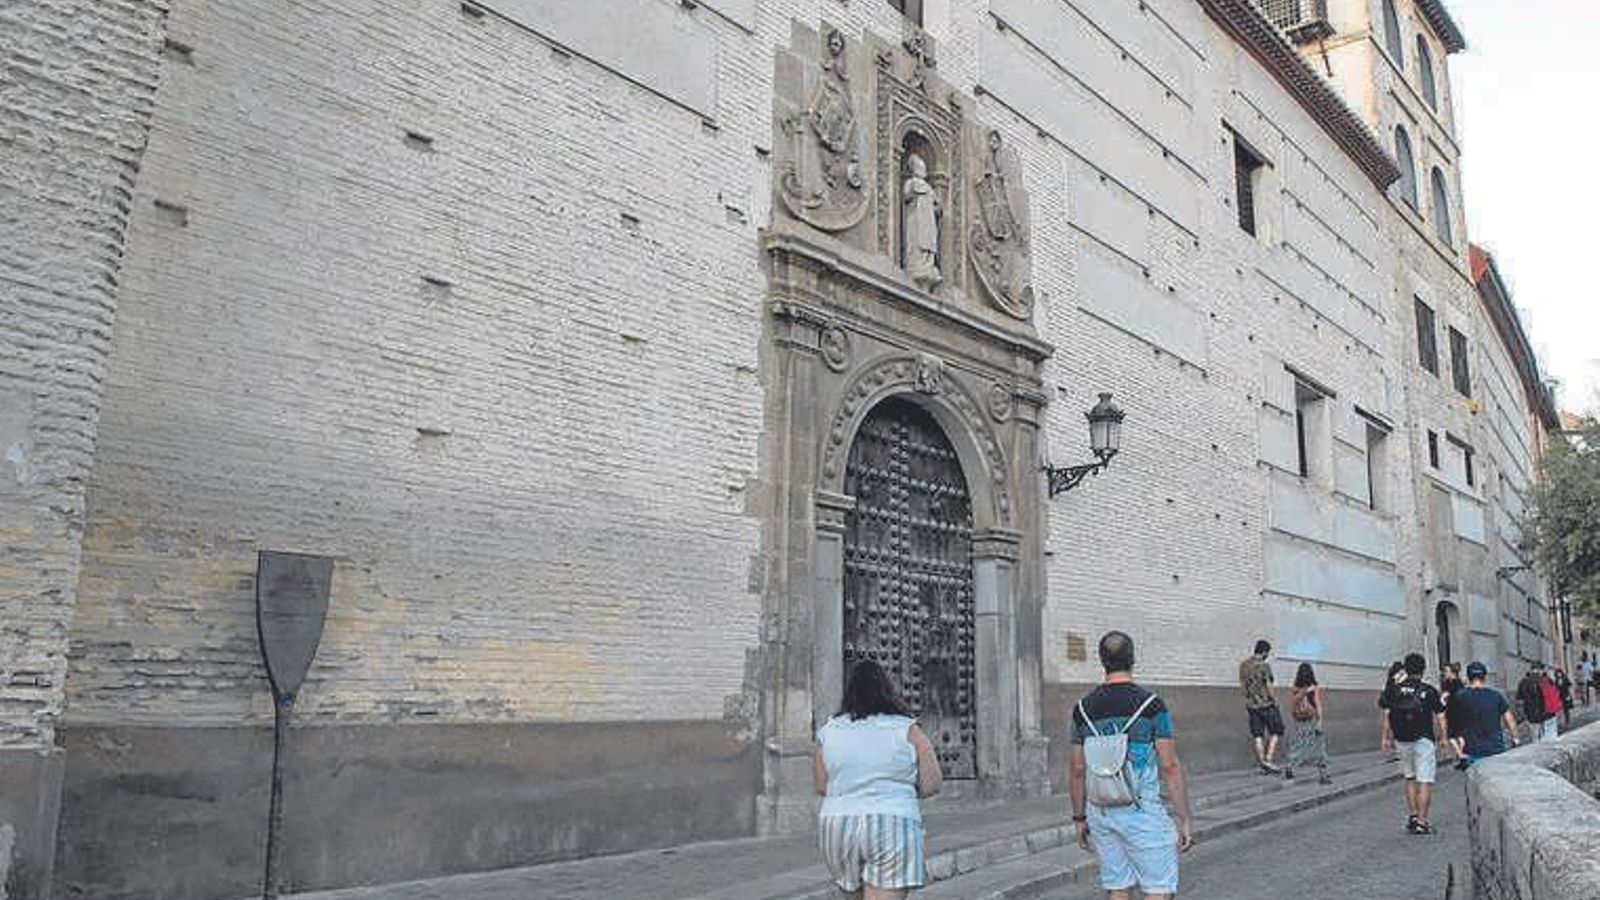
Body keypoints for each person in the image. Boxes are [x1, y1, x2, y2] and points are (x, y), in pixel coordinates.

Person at [1070, 631, 1194, 900]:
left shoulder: (1081, 709)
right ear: (1133, 659)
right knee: (1158, 889)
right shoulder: (1152, 705)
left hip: (1100, 810)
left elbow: (1078, 770)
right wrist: (1183, 819)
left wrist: (1079, 818)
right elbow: (1169, 765)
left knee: (1118, 887)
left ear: (1101, 661)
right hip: (1141, 810)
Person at [813, 660, 943, 899]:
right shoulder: (908, 730)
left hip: (837, 825)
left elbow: (822, 786)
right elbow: (932, 783)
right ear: (887, 691)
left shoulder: (828, 731)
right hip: (892, 821)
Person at [1378, 653, 1448, 835]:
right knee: (1424, 780)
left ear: (1405, 669)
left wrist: (1385, 737)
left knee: (1409, 778)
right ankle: (1422, 822)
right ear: (1423, 670)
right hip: (1423, 739)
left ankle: (1413, 816)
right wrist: (1444, 737)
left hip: (1402, 739)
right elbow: (1441, 715)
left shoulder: (1395, 690)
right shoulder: (1428, 690)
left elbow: (1386, 713)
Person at [1451, 661, 1519, 767]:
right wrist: (1515, 738)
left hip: (1471, 749)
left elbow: (1453, 723)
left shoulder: (1460, 696)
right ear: (1484, 677)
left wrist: (1458, 749)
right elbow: (1509, 719)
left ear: (1468, 677)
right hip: (1495, 748)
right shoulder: (1496, 696)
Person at [1238, 640, 1285, 774]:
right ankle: (1269, 759)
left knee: (1258, 734)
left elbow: (1243, 685)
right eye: (1268, 653)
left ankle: (1263, 762)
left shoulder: (1243, 666)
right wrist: (1274, 699)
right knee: (1276, 730)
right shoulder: (1264, 666)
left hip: (1251, 705)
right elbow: (1269, 685)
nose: (1268, 655)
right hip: (1266, 704)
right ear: (1264, 651)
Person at [1285, 662, 1331, 784]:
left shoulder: (1295, 687)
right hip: (1311, 718)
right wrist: (1320, 720)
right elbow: (1317, 704)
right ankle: (1323, 775)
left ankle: (1290, 765)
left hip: (1299, 719)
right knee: (1319, 745)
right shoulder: (1313, 687)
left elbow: (1294, 704)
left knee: (1300, 743)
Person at [1440, 662, 1466, 763]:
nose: (1444, 673)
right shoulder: (1460, 683)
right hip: (1461, 711)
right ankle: (1462, 753)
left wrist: (1442, 702)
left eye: (1446, 671)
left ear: (1452, 672)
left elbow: (1444, 697)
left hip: (1451, 711)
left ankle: (1460, 754)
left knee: (1451, 736)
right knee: (1460, 734)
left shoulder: (1448, 683)